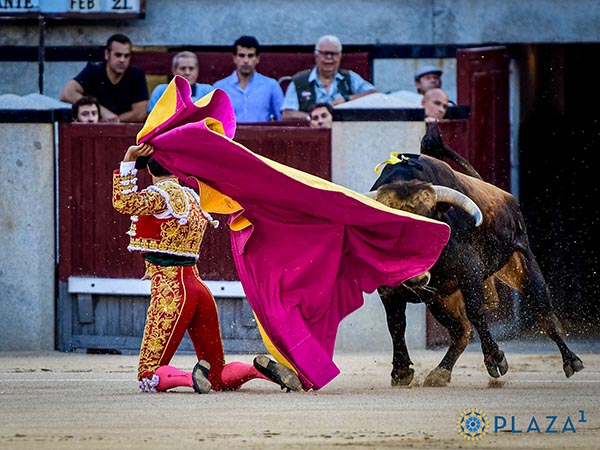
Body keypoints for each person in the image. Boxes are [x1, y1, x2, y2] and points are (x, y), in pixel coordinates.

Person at [112, 142, 303, 393]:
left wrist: (128, 159)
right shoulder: (193, 198)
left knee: (148, 374)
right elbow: (168, 239)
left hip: (172, 292)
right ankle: (257, 370)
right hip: (199, 290)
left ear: (149, 168)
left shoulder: (160, 195)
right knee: (217, 374)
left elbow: (123, 202)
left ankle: (189, 379)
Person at [281, 35, 377, 121]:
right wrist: (312, 117)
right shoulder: (300, 81)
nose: (329, 58)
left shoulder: (349, 77)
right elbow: (287, 114)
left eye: (333, 54)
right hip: (312, 134)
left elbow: (374, 95)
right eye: (325, 54)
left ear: (340, 56)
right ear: (316, 55)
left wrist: (347, 98)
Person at [60, 33, 149, 123]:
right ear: (107, 54)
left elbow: (140, 113)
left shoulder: (136, 75)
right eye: (118, 55)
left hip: (123, 131)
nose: (122, 60)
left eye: (126, 56)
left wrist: (115, 120)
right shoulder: (94, 70)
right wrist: (102, 111)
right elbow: (67, 93)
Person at [213, 36, 284, 122]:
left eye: (250, 56)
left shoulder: (271, 86)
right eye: (241, 56)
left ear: (257, 59)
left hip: (261, 135)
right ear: (235, 58)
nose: (246, 60)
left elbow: (281, 119)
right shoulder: (220, 87)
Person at [148, 51, 213, 113]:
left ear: (197, 70)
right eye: (183, 68)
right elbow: (152, 119)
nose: (187, 73)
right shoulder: (161, 92)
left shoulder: (208, 92)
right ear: (174, 70)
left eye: (191, 68)